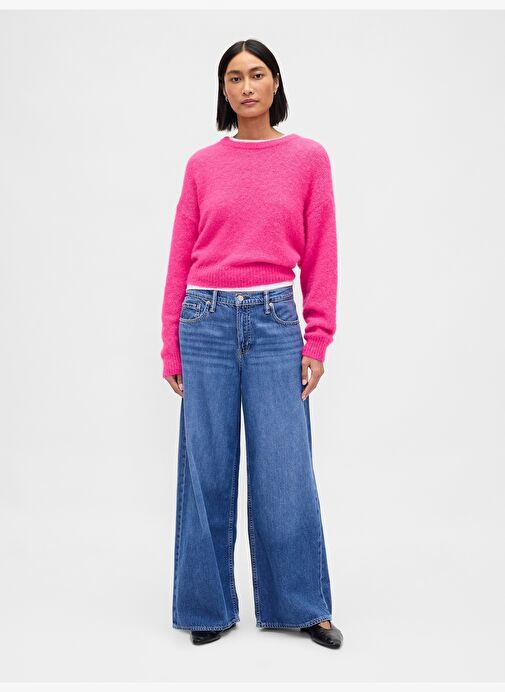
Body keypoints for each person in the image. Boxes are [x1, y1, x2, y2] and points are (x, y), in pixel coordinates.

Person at [160, 39, 343, 650]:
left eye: (256, 75)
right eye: (234, 78)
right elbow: (180, 256)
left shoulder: (308, 158)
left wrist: (318, 337)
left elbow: (321, 252)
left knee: (286, 470)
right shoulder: (202, 165)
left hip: (274, 323)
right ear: (223, 90)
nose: (246, 87)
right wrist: (170, 345)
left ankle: (302, 604)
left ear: (275, 83)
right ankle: (206, 608)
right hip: (205, 321)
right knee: (205, 470)